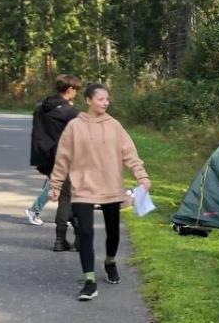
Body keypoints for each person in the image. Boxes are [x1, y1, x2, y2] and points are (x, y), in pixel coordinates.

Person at [49, 84, 151, 302]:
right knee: (85, 233)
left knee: (113, 231)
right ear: (88, 100)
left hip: (111, 187)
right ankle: (90, 281)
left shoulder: (114, 126)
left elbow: (130, 154)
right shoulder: (75, 126)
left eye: (107, 99)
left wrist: (141, 176)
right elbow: (63, 157)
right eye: (100, 99)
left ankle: (110, 261)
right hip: (83, 188)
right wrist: (56, 185)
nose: (105, 103)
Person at [27, 75, 81, 251]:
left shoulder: (41, 107)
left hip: (46, 158)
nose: (77, 93)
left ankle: (77, 235)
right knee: (67, 198)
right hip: (65, 158)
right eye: (76, 90)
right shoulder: (70, 113)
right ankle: (61, 239)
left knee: (65, 196)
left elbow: (37, 133)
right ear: (70, 90)